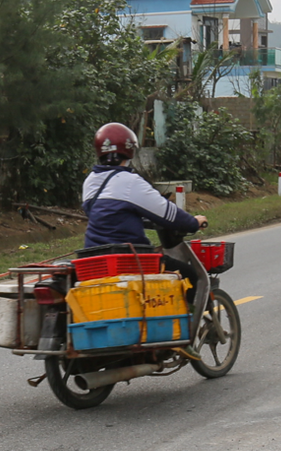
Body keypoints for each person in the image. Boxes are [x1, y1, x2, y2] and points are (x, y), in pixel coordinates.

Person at [81, 122, 212, 315]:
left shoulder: (90, 181)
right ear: (130, 151)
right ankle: (185, 333)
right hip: (130, 260)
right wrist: (194, 222)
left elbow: (103, 214)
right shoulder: (129, 181)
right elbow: (167, 213)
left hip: (93, 258)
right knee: (190, 275)